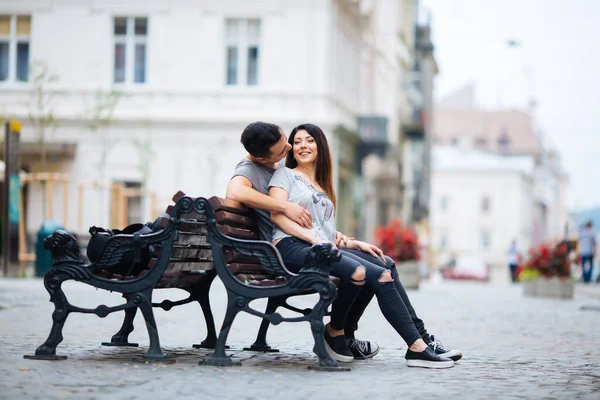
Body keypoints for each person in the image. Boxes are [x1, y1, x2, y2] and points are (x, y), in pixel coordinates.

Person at [268, 123, 460, 368]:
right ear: (291, 149)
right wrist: (315, 240)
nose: (303, 146)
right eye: (297, 142)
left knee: (384, 263)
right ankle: (414, 346)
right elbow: (277, 216)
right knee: (376, 275)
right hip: (291, 247)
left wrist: (353, 242)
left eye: (309, 141)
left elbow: (322, 228)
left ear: (320, 146)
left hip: (319, 247)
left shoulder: (320, 182)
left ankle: (421, 338)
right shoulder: (285, 175)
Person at [226, 121, 380, 360]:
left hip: (300, 243)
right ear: (263, 159)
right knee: (360, 272)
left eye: (287, 140)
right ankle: (336, 334)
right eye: (283, 148)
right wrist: (286, 207)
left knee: (377, 267)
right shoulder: (251, 167)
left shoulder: (277, 166)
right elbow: (235, 192)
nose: (289, 147)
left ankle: (346, 336)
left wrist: (338, 238)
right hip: (281, 254)